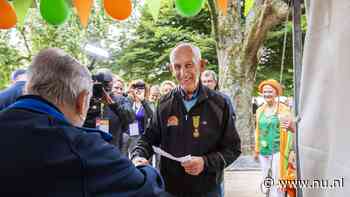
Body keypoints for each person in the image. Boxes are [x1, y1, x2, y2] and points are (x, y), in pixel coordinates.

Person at [0, 48, 165, 196]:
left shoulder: (119, 101)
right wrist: (144, 169)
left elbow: (132, 125)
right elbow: (148, 189)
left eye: (107, 86)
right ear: (82, 99)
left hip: (115, 152)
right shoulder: (78, 147)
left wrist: (113, 105)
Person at [131, 43, 241, 197]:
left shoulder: (220, 103)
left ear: (201, 65)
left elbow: (233, 148)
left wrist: (205, 162)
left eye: (189, 65)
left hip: (207, 190)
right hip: (170, 189)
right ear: (171, 69)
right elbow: (148, 139)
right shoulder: (164, 103)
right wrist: (139, 156)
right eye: (177, 67)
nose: (183, 73)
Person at [254, 79, 295, 197]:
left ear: (276, 93)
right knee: (266, 180)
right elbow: (258, 131)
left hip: (278, 151)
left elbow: (290, 132)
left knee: (278, 180)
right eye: (264, 92)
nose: (267, 94)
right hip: (263, 151)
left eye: (270, 91)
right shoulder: (259, 110)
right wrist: (257, 149)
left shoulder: (284, 110)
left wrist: (290, 151)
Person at [103, 73, 135, 150]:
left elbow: (130, 118)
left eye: (121, 89)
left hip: (114, 145)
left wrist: (114, 105)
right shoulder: (98, 100)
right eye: (116, 88)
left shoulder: (124, 100)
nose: (119, 91)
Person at [122, 79, 154, 157]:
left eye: (141, 88)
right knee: (123, 158)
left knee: (136, 158)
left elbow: (152, 116)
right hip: (125, 135)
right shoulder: (128, 101)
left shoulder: (147, 103)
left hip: (139, 136)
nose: (138, 90)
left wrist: (142, 100)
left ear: (145, 90)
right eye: (136, 87)